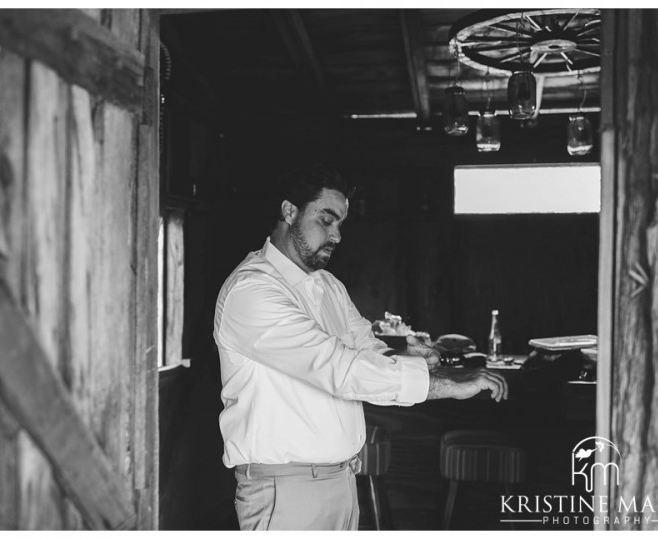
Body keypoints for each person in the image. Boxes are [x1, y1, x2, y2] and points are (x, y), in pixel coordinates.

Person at [213, 163, 508, 530]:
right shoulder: (252, 292)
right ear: (290, 211)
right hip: (286, 492)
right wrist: (448, 385)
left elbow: (365, 349)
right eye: (327, 219)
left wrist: (404, 358)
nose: (336, 235)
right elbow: (338, 368)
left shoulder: (329, 287)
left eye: (340, 224)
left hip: (342, 481)